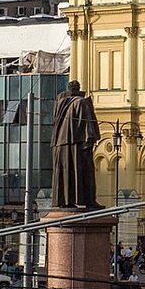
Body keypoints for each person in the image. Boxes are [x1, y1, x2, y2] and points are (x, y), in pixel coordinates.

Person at [51, 80, 101, 209]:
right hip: (76, 144)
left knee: (65, 172)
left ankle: (66, 201)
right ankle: (89, 201)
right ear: (78, 88)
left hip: (60, 144)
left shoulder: (60, 103)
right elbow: (88, 126)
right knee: (85, 171)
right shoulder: (82, 102)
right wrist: (91, 139)